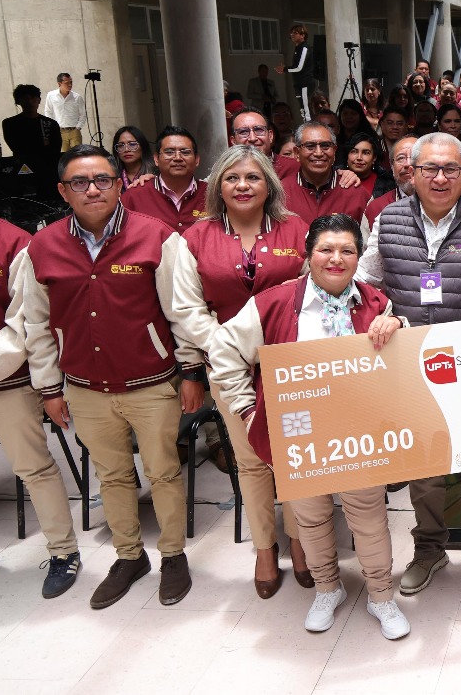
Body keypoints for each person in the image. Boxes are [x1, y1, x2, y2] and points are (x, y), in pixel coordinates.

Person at [17, 144, 206, 609]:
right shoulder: (41, 247)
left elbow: (182, 311)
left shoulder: (156, 237)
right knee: (112, 476)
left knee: (163, 472)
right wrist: (49, 388)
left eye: (102, 179)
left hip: (151, 384)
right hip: (84, 389)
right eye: (79, 182)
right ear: (63, 191)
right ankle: (128, 556)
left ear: (120, 184)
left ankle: (173, 555)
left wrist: (190, 372)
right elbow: (35, 325)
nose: (93, 190)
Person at [208, 214, 409, 639]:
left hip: (360, 433)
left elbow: (400, 358)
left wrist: (398, 324)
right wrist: (248, 410)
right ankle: (327, 588)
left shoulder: (376, 302)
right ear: (308, 253)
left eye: (347, 250)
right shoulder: (274, 302)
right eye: (326, 249)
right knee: (311, 519)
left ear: (359, 257)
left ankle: (381, 596)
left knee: (369, 519)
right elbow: (223, 350)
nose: (336, 259)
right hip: (300, 434)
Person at [355, 132, 461, 597]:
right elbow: (366, 279)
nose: (440, 177)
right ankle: (429, 547)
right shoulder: (388, 219)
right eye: (430, 168)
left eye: (451, 168)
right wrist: (383, 313)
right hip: (413, 359)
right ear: (412, 171)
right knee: (423, 464)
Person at [169, 145, 311, 597]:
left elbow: (312, 292)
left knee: (294, 459)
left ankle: (301, 541)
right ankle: (265, 548)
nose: (243, 185)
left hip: (289, 366)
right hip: (230, 370)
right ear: (218, 186)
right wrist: (228, 348)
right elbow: (186, 308)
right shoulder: (194, 237)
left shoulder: (297, 229)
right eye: (232, 178)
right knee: (251, 463)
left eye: (252, 177)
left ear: (269, 183)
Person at [0, 150, 80, 597]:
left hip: (5, 384)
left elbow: (23, 322)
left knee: (35, 469)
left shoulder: (15, 244)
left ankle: (64, 553)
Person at [280, 121, 371, 229]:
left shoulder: (356, 193)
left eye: (325, 146)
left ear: (334, 151)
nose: (318, 153)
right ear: (297, 153)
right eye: (310, 146)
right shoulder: (281, 192)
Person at [120, 126, 208, 234]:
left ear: (197, 159)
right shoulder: (134, 196)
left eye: (185, 152)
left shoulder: (212, 195)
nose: (177, 158)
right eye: (169, 152)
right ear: (156, 159)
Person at [1, 84, 62, 202]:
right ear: (18, 101)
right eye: (25, 98)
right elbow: (16, 146)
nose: (29, 102)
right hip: (23, 169)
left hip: (48, 168)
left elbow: (55, 148)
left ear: (39, 100)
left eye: (33, 98)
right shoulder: (10, 123)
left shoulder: (50, 123)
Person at [277, 24, 314, 120]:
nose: (292, 35)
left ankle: (310, 127)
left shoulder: (304, 48)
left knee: (306, 110)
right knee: (302, 109)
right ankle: (306, 125)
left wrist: (285, 69)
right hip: (298, 83)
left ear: (302, 35)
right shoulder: (298, 48)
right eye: (291, 33)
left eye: (295, 33)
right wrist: (285, 69)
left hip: (305, 83)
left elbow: (298, 67)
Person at [42, 73, 88, 151]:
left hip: (74, 130)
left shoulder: (77, 97)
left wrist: (78, 127)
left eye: (71, 82)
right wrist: (53, 127)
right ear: (59, 83)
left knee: (77, 154)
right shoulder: (51, 95)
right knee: (62, 155)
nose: (70, 85)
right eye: (67, 83)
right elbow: (48, 112)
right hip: (60, 131)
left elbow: (83, 114)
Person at [111, 125, 158, 190]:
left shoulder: (157, 173)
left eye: (132, 144)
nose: (126, 149)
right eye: (121, 145)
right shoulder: (113, 176)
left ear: (143, 147)